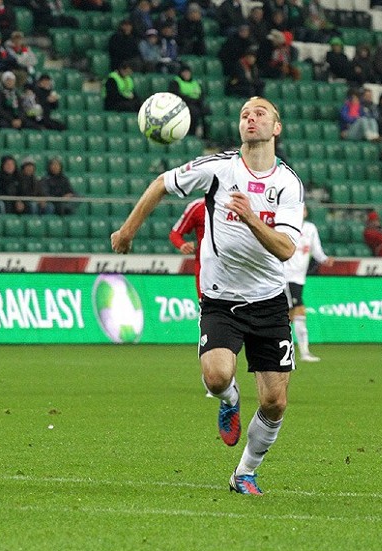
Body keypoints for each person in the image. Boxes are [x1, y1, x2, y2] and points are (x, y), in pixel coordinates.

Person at [111, 96, 304, 495]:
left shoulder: (288, 184)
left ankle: (245, 472)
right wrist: (128, 230)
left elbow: (286, 249)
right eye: (244, 114)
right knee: (217, 378)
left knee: (275, 402)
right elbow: (161, 183)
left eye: (260, 113)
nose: (251, 118)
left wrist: (251, 217)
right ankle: (229, 398)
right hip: (220, 300)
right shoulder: (219, 168)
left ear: (276, 127)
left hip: (268, 301)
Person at [283, 207, 333, 363]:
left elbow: (316, 250)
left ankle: (282, 349)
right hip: (287, 277)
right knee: (299, 312)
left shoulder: (310, 228)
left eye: (303, 209)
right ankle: (304, 353)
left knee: (288, 317)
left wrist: (324, 259)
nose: (301, 212)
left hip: (299, 278)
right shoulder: (285, 227)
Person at [169, 197, 205, 300]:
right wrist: (182, 245)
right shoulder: (198, 207)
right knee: (207, 308)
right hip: (205, 268)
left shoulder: (242, 205)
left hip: (238, 268)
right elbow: (175, 233)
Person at [168, 64, 208, 137]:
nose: (187, 74)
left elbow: (202, 94)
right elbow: (175, 95)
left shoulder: (195, 83)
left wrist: (198, 100)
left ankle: (206, 136)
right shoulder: (176, 82)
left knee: (207, 111)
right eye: (185, 72)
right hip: (183, 104)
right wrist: (190, 100)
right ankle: (191, 134)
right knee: (194, 112)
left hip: (196, 103)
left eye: (188, 72)